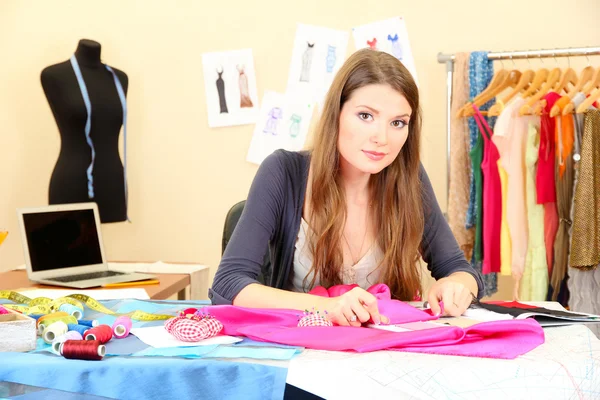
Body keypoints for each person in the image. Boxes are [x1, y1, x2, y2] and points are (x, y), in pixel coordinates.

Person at [210, 49, 484, 326]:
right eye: (366, 116)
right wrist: (326, 307)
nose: (382, 138)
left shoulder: (409, 179)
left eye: (398, 123)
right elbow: (228, 284)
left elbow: (461, 271)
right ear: (336, 114)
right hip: (303, 350)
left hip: (383, 352)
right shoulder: (283, 173)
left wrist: (457, 286)